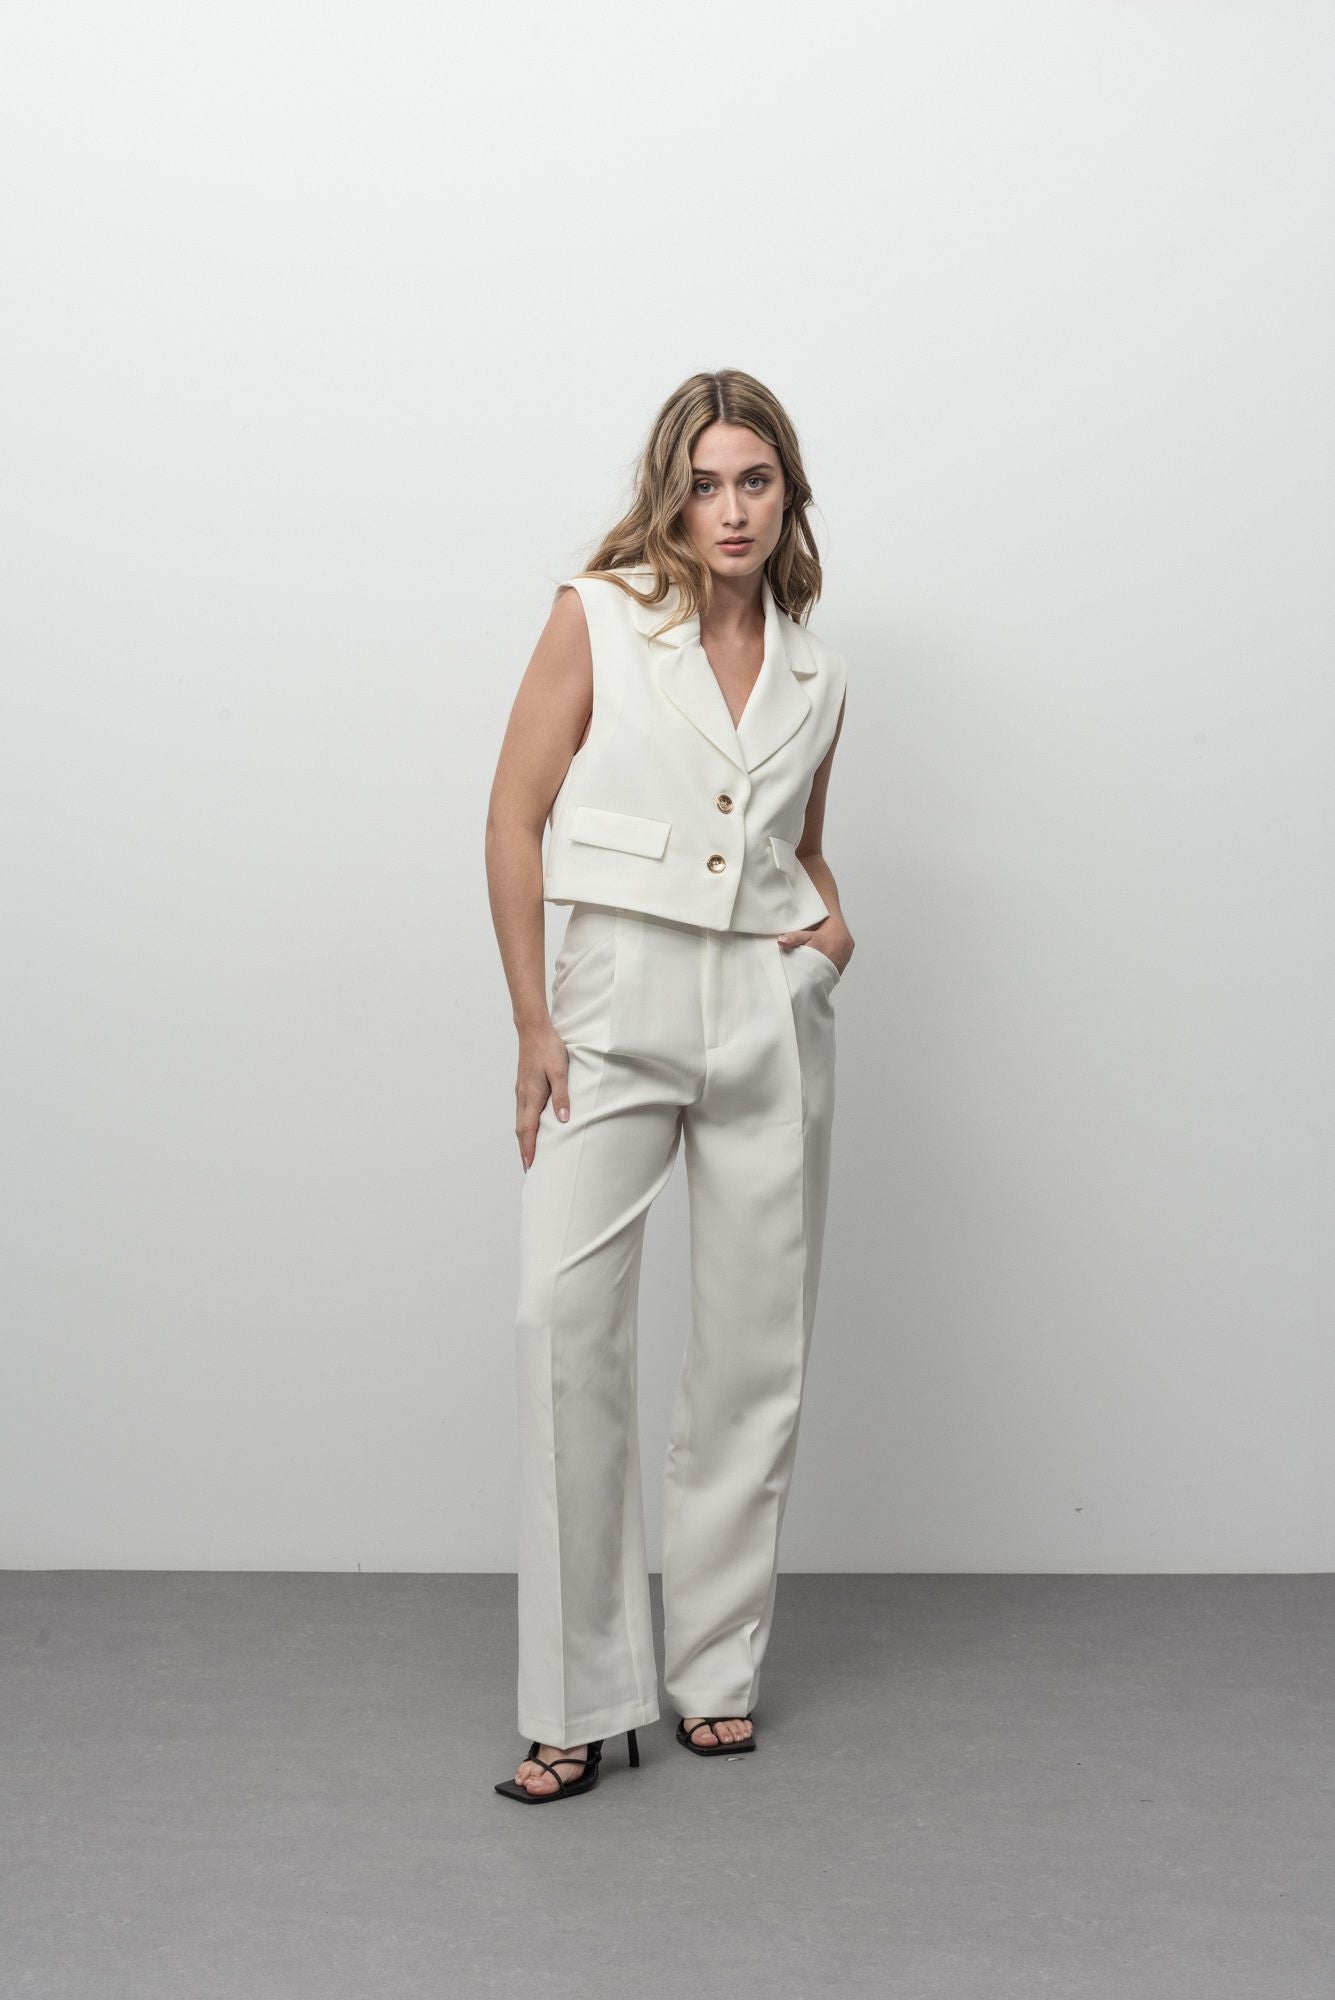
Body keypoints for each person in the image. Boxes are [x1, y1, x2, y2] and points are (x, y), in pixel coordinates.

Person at [485, 368, 853, 1803]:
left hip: (766, 1010)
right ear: (670, 495)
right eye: (705, 484)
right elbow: (514, 817)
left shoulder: (819, 672)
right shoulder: (599, 617)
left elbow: (799, 846)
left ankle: (715, 1675)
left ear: (788, 493)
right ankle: (577, 1700)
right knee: (562, 1324)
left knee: (754, 1351)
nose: (731, 509)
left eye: (754, 481)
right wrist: (534, 1021)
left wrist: (830, 937)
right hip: (612, 1003)